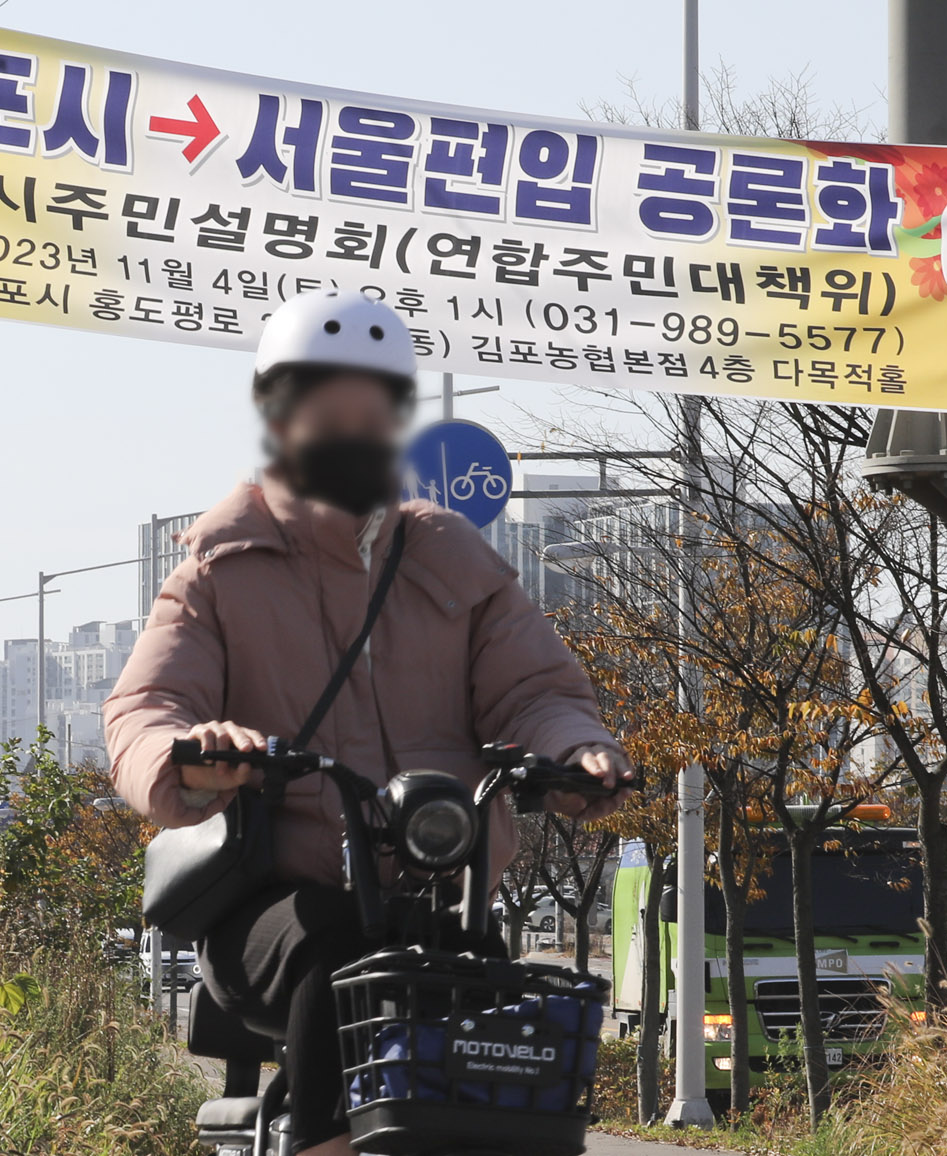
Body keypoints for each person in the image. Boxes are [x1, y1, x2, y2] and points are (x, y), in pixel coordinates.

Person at [105, 287, 631, 1156]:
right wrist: (192, 753)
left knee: (508, 1033)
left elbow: (535, 687)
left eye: (371, 413)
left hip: (439, 897)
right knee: (340, 945)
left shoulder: (452, 557)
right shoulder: (219, 567)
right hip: (276, 911)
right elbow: (143, 708)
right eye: (326, 413)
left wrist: (576, 749)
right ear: (279, 417)